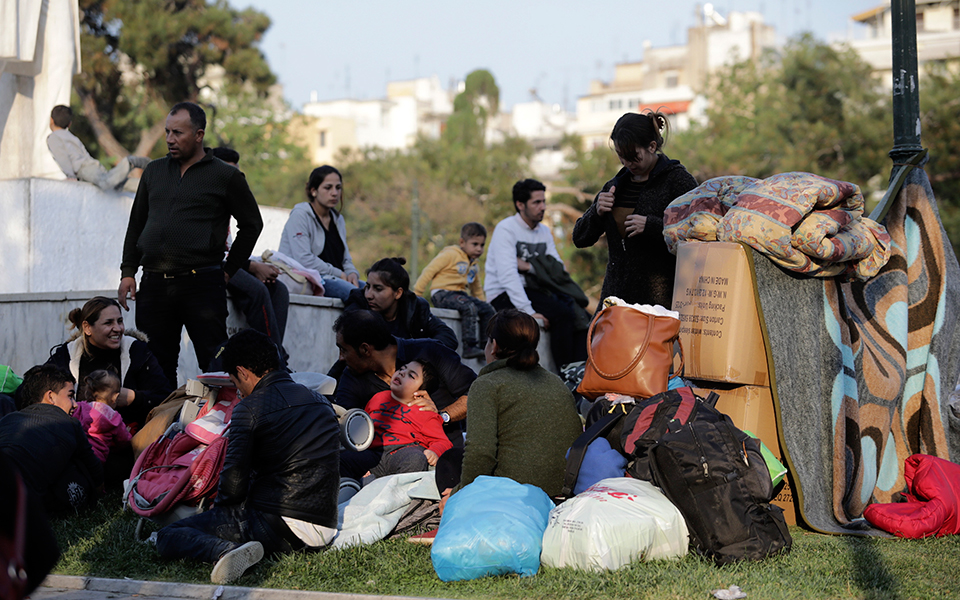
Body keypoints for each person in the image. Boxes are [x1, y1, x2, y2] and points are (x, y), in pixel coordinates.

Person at [155, 329, 340, 585]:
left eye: (235, 383)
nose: (239, 391)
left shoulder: (249, 409)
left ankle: (226, 551)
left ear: (242, 372)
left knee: (168, 535)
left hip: (280, 527)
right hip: (325, 527)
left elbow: (233, 485)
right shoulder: (321, 402)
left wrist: (217, 517)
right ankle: (239, 545)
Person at [118, 102, 264, 386]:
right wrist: (127, 272)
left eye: (178, 133)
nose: (170, 139)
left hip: (202, 284)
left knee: (216, 364)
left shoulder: (225, 175)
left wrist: (228, 269)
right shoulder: (154, 172)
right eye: (167, 132)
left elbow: (252, 225)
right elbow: (136, 224)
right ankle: (162, 427)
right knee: (155, 366)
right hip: (154, 284)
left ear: (199, 135)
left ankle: (218, 426)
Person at [437, 310, 582, 510]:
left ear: (494, 345)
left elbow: (481, 453)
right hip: (562, 489)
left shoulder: (487, 384)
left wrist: (459, 494)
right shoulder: (555, 381)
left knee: (450, 461)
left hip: (514, 495)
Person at [573, 111, 698, 307]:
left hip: (661, 305)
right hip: (614, 301)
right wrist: (597, 212)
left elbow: (698, 233)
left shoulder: (677, 181)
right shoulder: (615, 185)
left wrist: (653, 227)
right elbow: (580, 238)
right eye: (621, 156)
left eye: (633, 157)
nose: (627, 163)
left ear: (652, 146)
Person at [332, 310, 476, 447]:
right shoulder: (351, 377)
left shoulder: (429, 351)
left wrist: (441, 417)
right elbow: (346, 427)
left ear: (365, 349)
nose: (341, 358)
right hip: (385, 469)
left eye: (343, 350)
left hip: (443, 463)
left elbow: (477, 393)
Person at [484, 178, 587, 369]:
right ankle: (565, 372)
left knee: (579, 313)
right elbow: (508, 276)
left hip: (535, 290)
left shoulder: (544, 232)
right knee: (562, 315)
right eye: (536, 202)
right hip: (503, 293)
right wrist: (529, 311)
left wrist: (530, 266)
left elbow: (558, 269)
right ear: (520, 204)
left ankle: (580, 372)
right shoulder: (506, 229)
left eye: (544, 202)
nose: (543, 207)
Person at [211, 147, 291, 368]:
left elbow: (232, 245)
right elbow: (214, 251)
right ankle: (274, 363)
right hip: (208, 264)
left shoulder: (230, 202)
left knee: (279, 290)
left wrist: (254, 264)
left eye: (237, 175)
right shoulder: (205, 199)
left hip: (229, 261)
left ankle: (274, 357)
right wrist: (251, 266)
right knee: (257, 290)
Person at [45, 297, 172, 429]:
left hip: (129, 442)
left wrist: (134, 398)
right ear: (87, 328)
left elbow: (166, 398)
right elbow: (35, 392)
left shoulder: (137, 352)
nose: (117, 328)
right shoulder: (67, 354)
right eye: (108, 323)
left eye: (120, 321)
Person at [0, 365, 103, 514]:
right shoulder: (68, 422)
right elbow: (94, 469)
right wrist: (97, 495)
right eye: (70, 396)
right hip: (16, 501)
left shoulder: (8, 419)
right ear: (50, 397)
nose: (75, 404)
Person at [340, 359, 452, 481]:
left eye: (411, 375)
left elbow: (443, 441)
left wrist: (434, 451)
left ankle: (400, 494)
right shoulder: (378, 397)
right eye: (402, 369)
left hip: (404, 451)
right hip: (374, 453)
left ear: (420, 392)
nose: (402, 373)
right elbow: (365, 423)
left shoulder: (425, 411)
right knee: (342, 459)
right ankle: (357, 485)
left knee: (416, 459)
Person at [278, 165, 361, 301]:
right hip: (312, 280)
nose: (334, 193)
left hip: (337, 278)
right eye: (328, 188)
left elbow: (345, 258)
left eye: (338, 188)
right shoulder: (300, 215)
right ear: (314, 191)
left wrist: (352, 272)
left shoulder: (338, 219)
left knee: (379, 297)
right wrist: (338, 273)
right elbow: (303, 259)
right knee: (358, 297)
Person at [414, 222, 495, 359]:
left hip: (460, 294)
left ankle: (484, 346)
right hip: (442, 293)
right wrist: (417, 294)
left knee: (488, 309)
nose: (479, 249)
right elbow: (429, 270)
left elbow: (476, 288)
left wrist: (482, 303)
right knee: (469, 307)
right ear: (462, 242)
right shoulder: (450, 255)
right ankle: (469, 346)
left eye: (482, 245)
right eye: (475, 244)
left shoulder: (474, 264)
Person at [345, 257, 458, 351]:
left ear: (398, 293)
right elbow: (350, 331)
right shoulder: (359, 301)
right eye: (367, 287)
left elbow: (448, 337)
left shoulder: (415, 307)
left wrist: (416, 357)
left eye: (378, 289)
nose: (369, 295)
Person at [46, 105, 151, 191]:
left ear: (51, 120)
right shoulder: (71, 137)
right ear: (69, 124)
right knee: (117, 185)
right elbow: (83, 152)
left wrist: (70, 176)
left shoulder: (53, 138)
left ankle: (129, 162)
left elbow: (62, 157)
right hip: (91, 165)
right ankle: (150, 186)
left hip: (84, 169)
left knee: (105, 184)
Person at [73, 370, 132, 463]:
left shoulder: (80, 407)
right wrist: (128, 433)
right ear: (116, 397)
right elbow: (124, 441)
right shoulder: (114, 418)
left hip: (76, 452)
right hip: (97, 460)